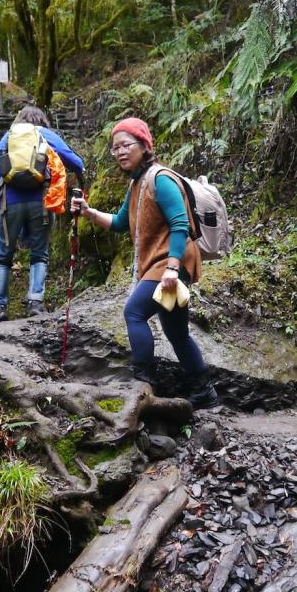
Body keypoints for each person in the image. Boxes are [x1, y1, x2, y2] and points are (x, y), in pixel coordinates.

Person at [70, 117, 218, 409]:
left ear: (144, 145)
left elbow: (180, 224)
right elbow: (119, 223)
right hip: (162, 265)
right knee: (176, 333)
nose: (120, 152)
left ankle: (142, 382)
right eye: (115, 148)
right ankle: (204, 393)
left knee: (134, 312)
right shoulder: (137, 183)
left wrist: (172, 268)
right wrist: (88, 212)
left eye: (126, 145)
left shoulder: (160, 179)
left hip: (170, 263)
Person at [0, 106, 85, 321]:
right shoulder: (45, 134)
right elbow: (73, 160)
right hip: (41, 203)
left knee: (2, 256)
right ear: (41, 120)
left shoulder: (9, 136)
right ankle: (35, 302)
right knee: (39, 253)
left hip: (9, 203)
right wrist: (80, 172)